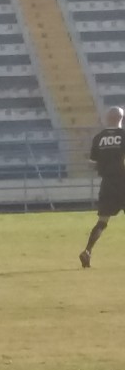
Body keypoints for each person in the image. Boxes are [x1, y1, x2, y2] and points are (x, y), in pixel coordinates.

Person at [80, 107, 125, 268]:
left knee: (102, 222)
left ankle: (87, 251)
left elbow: (91, 164)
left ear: (107, 118)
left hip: (108, 184)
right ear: (121, 118)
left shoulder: (98, 138)